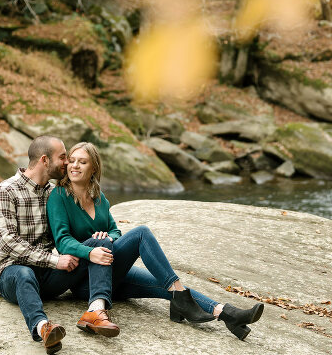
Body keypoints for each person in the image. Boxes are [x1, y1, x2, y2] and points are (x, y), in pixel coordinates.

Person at [46, 141, 264, 341]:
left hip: (113, 269)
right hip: (87, 282)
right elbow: (62, 242)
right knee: (141, 234)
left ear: (93, 168)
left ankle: (227, 314)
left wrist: (108, 237)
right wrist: (90, 250)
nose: (74, 166)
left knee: (166, 285)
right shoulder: (59, 196)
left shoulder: (100, 198)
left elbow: (115, 232)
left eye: (82, 162)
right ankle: (182, 299)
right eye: (72, 161)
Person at [0, 135, 110, 354]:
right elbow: (7, 243)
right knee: (23, 273)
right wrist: (54, 260)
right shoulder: (5, 191)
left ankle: (97, 310)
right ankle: (44, 328)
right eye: (63, 157)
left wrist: (102, 236)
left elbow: (70, 234)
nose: (68, 163)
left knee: (96, 246)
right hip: (11, 274)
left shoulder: (54, 193)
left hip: (47, 276)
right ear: (45, 160)